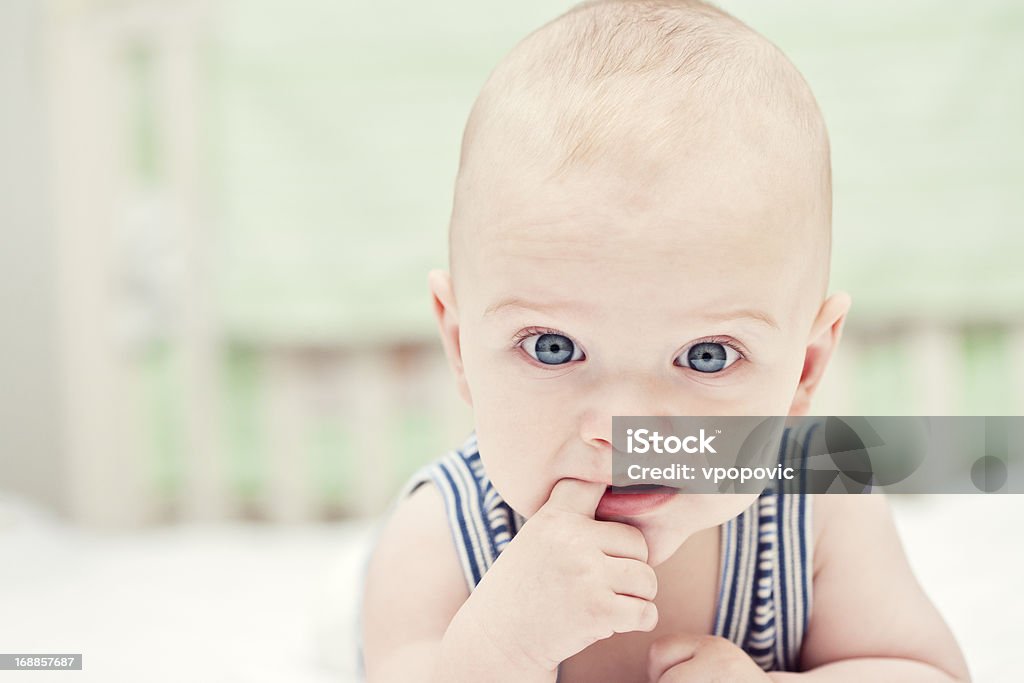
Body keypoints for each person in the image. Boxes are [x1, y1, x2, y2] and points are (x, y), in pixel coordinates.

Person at [360, 1, 970, 680]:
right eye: (552, 347)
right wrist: (502, 645)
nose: (626, 427)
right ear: (458, 343)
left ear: (804, 369)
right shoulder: (442, 536)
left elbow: (928, 672)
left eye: (706, 356)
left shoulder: (816, 511)